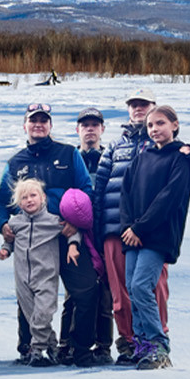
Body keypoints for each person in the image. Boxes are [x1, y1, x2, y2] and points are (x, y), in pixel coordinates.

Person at [0, 102, 106, 367]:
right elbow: (0, 203)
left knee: (86, 288)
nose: (38, 124)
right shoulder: (16, 161)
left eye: (44, 121)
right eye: (33, 120)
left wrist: (75, 223)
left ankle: (79, 348)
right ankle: (28, 346)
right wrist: (2, 225)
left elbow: (85, 191)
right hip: (31, 238)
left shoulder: (67, 154)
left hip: (65, 235)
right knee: (28, 293)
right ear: (25, 126)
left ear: (50, 126)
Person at [92, 88, 175, 365]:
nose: (138, 109)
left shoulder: (161, 145)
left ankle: (156, 339)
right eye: (133, 105)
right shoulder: (116, 146)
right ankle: (129, 343)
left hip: (150, 231)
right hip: (115, 229)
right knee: (121, 291)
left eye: (144, 105)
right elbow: (100, 187)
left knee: (153, 287)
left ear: (154, 107)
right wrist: (97, 228)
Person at [120, 105, 190, 370]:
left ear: (174, 126)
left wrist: (140, 229)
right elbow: (126, 192)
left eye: (160, 124)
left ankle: (158, 345)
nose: (155, 129)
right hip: (133, 236)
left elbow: (170, 198)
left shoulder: (180, 158)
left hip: (157, 236)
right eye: (150, 126)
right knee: (132, 289)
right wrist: (128, 227)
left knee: (142, 287)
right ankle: (142, 343)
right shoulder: (142, 157)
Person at [0, 178, 79, 366]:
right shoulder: (15, 223)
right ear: (19, 203)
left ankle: (37, 348)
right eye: (24, 198)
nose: (29, 200)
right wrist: (5, 249)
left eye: (33, 195)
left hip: (46, 277)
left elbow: (72, 232)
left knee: (43, 313)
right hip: (22, 278)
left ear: (43, 197)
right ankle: (52, 346)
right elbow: (9, 240)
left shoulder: (53, 221)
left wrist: (73, 245)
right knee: (32, 316)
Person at [61, 106, 114, 363]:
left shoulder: (110, 158)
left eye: (95, 125)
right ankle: (67, 343)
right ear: (78, 130)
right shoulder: (72, 159)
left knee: (106, 289)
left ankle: (103, 346)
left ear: (102, 129)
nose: (90, 129)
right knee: (76, 290)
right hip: (78, 232)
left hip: (105, 230)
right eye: (85, 125)